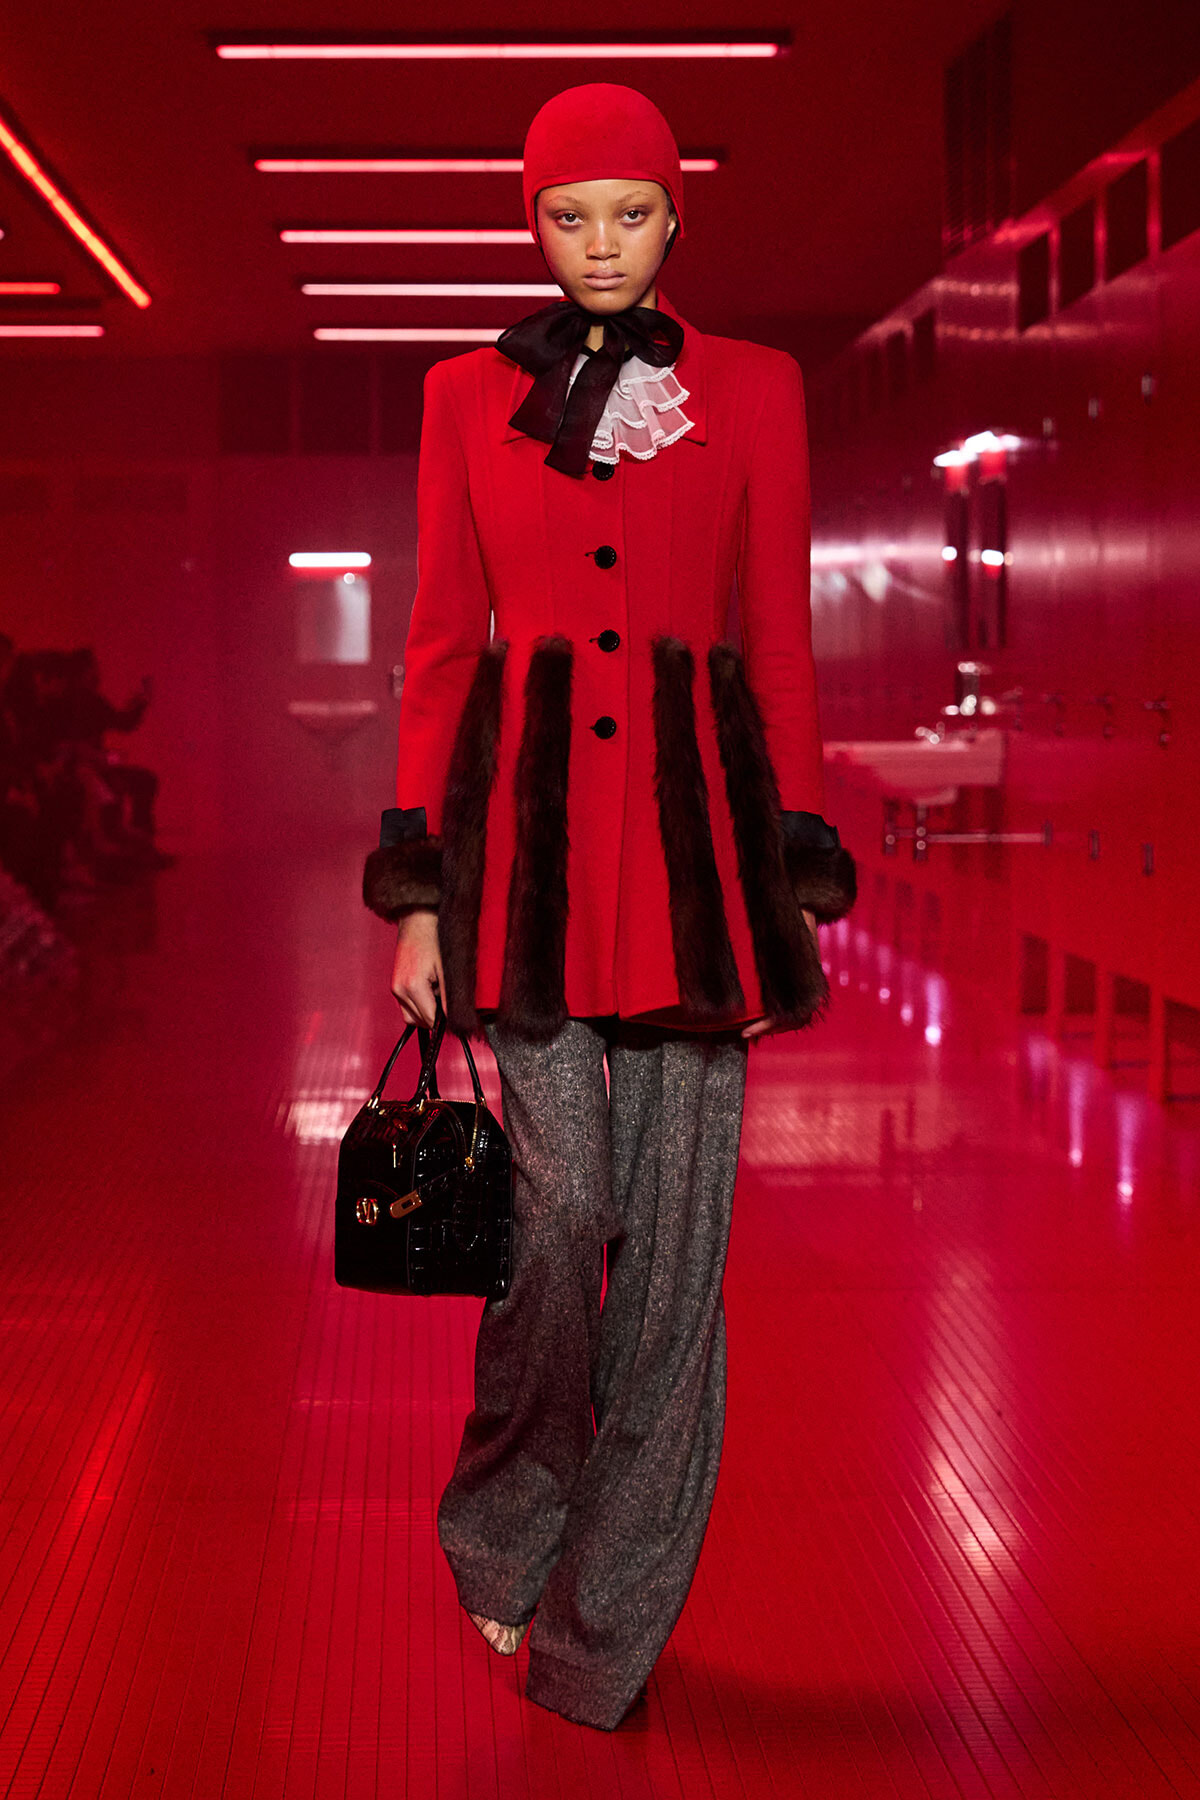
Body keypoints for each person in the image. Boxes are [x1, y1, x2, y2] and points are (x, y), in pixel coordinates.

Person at [362, 82, 858, 1731]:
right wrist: (418, 897)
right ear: (531, 220)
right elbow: (441, 651)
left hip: (705, 878)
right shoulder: (456, 397)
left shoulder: (761, 394)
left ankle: (602, 1633)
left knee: (674, 1277)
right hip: (530, 872)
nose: (597, 245)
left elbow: (776, 643)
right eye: (568, 216)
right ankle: (505, 1522)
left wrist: (793, 860)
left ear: (674, 217)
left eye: (627, 214)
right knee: (561, 1219)